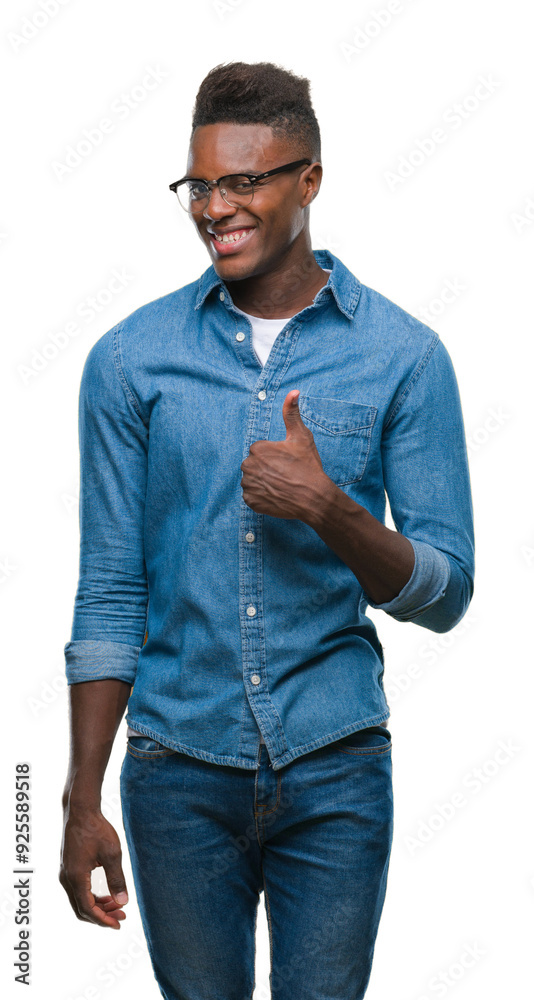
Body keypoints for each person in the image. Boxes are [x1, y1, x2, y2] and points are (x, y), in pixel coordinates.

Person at [59, 61, 475, 1000]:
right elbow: (111, 589)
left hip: (336, 772)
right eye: (200, 184)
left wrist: (328, 509)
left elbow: (448, 593)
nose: (216, 207)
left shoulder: (404, 357)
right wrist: (82, 795)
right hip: (176, 776)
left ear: (309, 181)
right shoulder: (130, 359)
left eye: (244, 181)